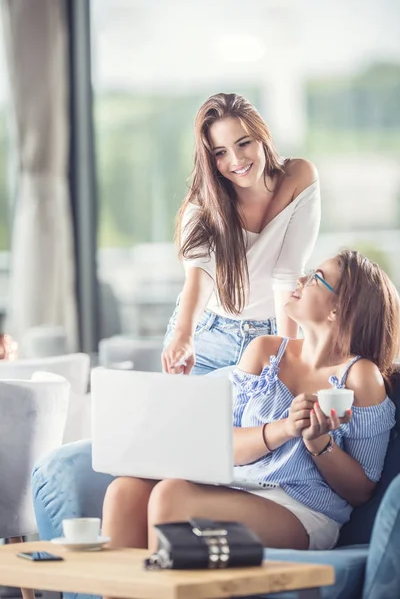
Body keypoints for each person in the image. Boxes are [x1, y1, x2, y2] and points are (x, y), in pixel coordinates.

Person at [102, 250, 399, 553]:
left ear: (338, 308)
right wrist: (284, 428)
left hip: (300, 507)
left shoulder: (360, 377)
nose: (300, 279)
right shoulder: (264, 351)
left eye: (316, 278)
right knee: (124, 492)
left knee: (171, 496)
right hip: (234, 487)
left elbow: (360, 491)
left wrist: (319, 443)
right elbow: (224, 444)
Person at [162, 92, 320, 375]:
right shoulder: (202, 208)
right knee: (192, 420)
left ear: (262, 136)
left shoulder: (299, 177)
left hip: (273, 333)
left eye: (243, 143)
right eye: (220, 153)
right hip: (208, 336)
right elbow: (199, 279)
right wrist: (184, 336)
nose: (236, 160)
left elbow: (287, 274)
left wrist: (286, 354)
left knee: (276, 419)